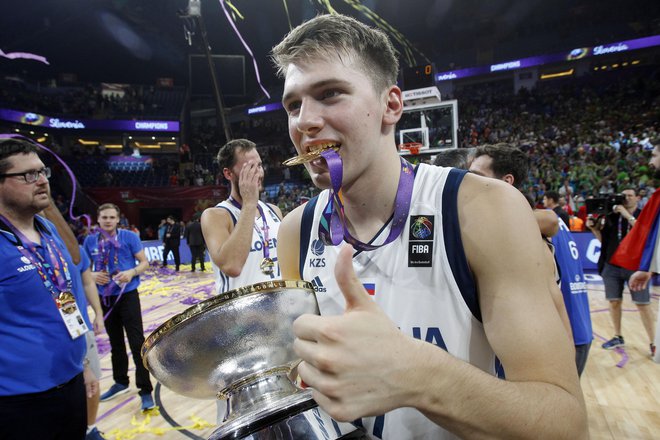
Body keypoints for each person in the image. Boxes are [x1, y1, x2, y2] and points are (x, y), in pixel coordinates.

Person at [272, 14, 587, 439]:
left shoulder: (482, 208)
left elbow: (565, 423)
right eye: (293, 104)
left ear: (391, 105)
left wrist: (419, 375)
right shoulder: (296, 230)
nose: (304, 121)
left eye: (329, 94)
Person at [0, 137, 97, 439]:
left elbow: (64, 294)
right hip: (18, 401)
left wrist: (82, 365)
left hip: (69, 384)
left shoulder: (49, 229)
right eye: (28, 175)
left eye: (43, 172)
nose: (42, 181)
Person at [469, 143, 593, 376]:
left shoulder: (526, 226)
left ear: (507, 181)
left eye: (475, 176)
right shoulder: (542, 220)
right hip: (576, 329)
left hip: (563, 339)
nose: (468, 182)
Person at [83, 203, 155, 411]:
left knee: (136, 342)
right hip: (105, 298)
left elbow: (144, 263)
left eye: (111, 217)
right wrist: (93, 275)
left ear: (118, 219)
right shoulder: (90, 241)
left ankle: (145, 390)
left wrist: (132, 272)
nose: (108, 221)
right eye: (104, 217)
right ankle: (121, 382)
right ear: (98, 219)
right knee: (115, 343)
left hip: (128, 295)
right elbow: (85, 269)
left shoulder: (129, 237)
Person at [201, 139, 283, 293]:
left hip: (278, 310)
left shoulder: (274, 210)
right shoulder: (216, 216)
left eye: (259, 165)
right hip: (239, 314)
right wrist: (250, 203)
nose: (258, 173)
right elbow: (232, 266)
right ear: (228, 173)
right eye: (250, 167)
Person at [585, 188, 655, 355]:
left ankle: (654, 342)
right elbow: (604, 241)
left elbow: (645, 233)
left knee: (642, 304)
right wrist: (594, 229)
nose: (626, 198)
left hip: (635, 266)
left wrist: (626, 214)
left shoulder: (643, 213)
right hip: (612, 264)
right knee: (614, 301)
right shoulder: (612, 216)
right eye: (624, 196)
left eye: (630, 195)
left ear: (638, 198)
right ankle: (618, 336)